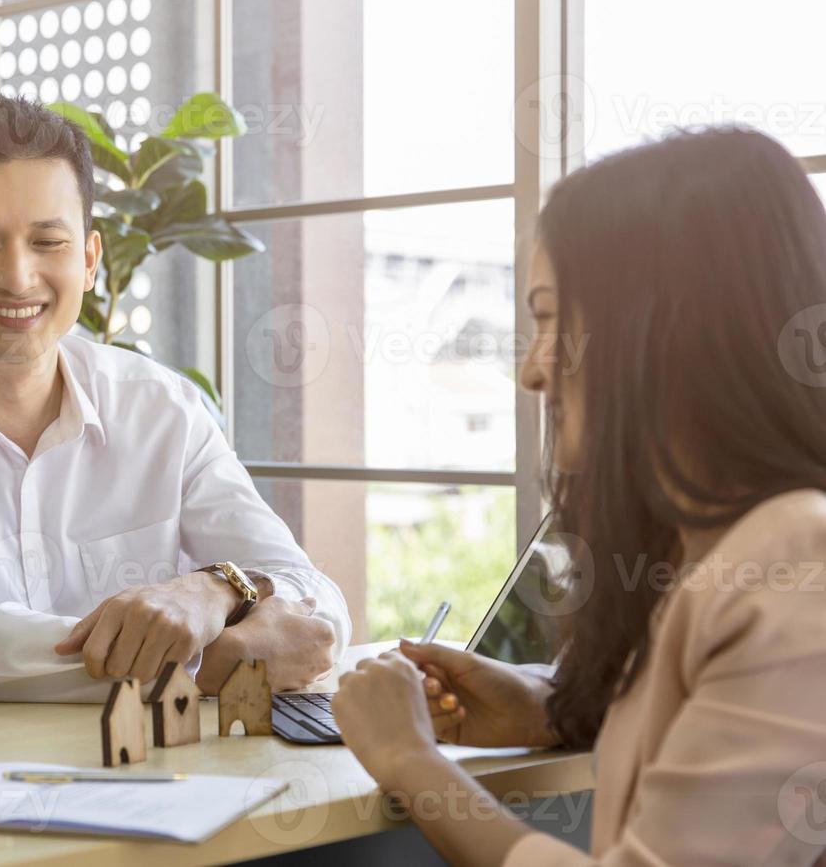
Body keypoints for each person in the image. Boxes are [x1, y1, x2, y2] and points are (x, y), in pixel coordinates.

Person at [330, 126, 826, 865]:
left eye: (550, 319)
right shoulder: (715, 549)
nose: (533, 372)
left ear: (666, 326)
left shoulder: (793, 561)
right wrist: (552, 711)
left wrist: (410, 761)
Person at [0, 95, 349, 704]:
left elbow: (311, 602)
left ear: (90, 260)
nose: (17, 276)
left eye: (47, 242)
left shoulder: (163, 407)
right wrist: (210, 664)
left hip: (154, 775)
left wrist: (219, 590)